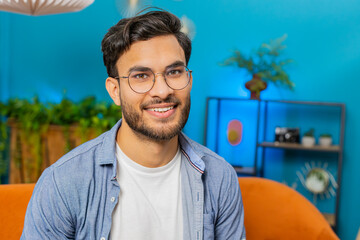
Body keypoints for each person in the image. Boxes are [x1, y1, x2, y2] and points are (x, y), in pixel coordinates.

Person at [21, 9, 246, 240]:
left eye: (175, 72)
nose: (162, 90)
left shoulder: (220, 178)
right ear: (115, 91)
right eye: (141, 76)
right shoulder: (63, 182)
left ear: (189, 79)